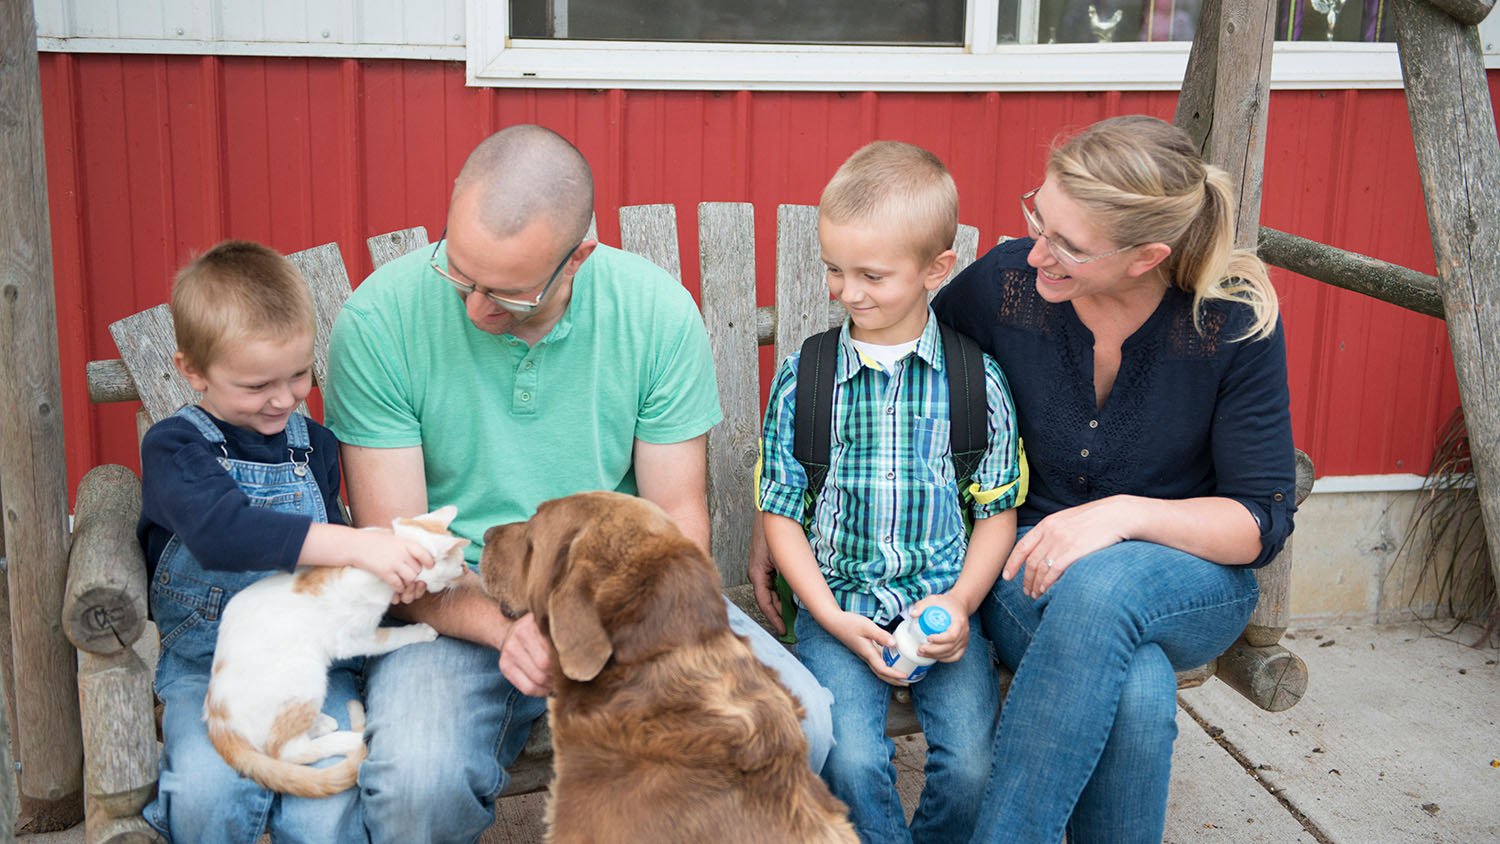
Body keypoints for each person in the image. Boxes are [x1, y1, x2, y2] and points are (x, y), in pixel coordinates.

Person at [324, 123, 835, 844]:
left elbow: (678, 518)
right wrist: (515, 629)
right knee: (418, 788)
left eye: (508, 294)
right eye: (460, 275)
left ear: (578, 259)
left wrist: (597, 629)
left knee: (799, 726)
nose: (476, 308)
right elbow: (403, 553)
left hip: (621, 601)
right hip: (456, 604)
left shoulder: (654, 313)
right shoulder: (379, 323)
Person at [932, 114, 1296, 843]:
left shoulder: (1229, 322)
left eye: (1069, 245)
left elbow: (1259, 521)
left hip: (1188, 580)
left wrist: (1125, 514)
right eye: (1039, 215)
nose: (1038, 252)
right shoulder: (1006, 286)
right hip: (1025, 565)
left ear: (1146, 257)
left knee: (1106, 586)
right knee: (1135, 686)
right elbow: (897, 385)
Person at [757, 141, 1025, 844]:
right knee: (848, 759)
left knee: (971, 764)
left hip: (941, 610)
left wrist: (962, 605)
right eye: (834, 270)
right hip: (836, 605)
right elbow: (781, 513)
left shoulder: (977, 385)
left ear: (937, 269)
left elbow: (997, 514)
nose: (849, 292)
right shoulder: (806, 378)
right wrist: (824, 613)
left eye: (873, 275)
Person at [138, 241, 436, 844]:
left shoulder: (315, 445)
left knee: (327, 812)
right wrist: (354, 545)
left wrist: (387, 574)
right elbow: (224, 534)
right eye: (255, 385)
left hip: (314, 657)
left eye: (299, 374)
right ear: (192, 370)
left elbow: (328, 581)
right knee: (202, 794)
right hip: (210, 670)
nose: (283, 398)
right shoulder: (175, 448)